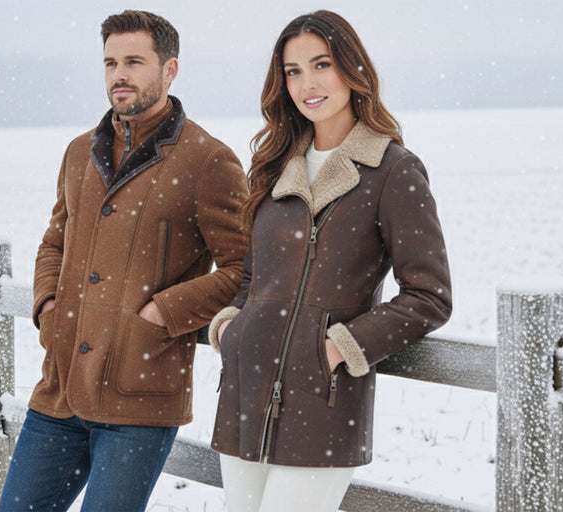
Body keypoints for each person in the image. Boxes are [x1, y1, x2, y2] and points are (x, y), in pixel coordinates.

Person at [0, 10, 248, 512]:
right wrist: (47, 307)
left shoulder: (207, 160)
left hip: (139, 397)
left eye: (134, 61)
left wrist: (163, 314)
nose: (120, 74)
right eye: (110, 62)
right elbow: (54, 242)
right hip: (60, 389)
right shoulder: (78, 153)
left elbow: (245, 269)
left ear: (169, 69)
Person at [207, 10, 453, 512]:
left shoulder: (392, 171)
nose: (307, 83)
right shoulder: (275, 167)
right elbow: (252, 276)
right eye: (293, 71)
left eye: (321, 65)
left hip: (324, 403)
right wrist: (230, 328)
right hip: (244, 393)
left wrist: (338, 348)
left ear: (351, 68)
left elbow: (429, 296)